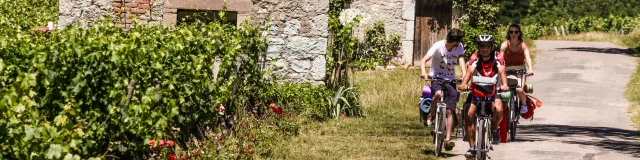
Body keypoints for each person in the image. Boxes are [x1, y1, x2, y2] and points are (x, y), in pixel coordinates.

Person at [459, 33, 508, 158]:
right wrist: (464, 83)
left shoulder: (498, 57)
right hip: (476, 92)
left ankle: (495, 128)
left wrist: (504, 85)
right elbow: (470, 71)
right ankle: (471, 147)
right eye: (481, 46)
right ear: (478, 47)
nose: (484, 48)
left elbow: (502, 71)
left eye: (487, 46)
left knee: (498, 109)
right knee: (469, 114)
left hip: (493, 91)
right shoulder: (475, 57)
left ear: (491, 47)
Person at [419, 28, 467, 151]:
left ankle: (447, 139)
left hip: (451, 79)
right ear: (455, 41)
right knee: (438, 94)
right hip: (436, 77)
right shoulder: (438, 46)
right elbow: (424, 60)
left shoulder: (459, 46)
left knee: (450, 110)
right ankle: (431, 115)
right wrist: (424, 73)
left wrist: (465, 75)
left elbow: (461, 60)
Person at [500, 24, 534, 113]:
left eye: (516, 32)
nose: (513, 34)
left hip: (520, 70)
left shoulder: (523, 45)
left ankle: (523, 104)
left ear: (519, 34)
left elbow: (527, 57)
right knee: (504, 89)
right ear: (509, 34)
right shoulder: (504, 45)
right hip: (507, 70)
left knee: (519, 89)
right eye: (511, 32)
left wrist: (530, 69)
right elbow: (500, 59)